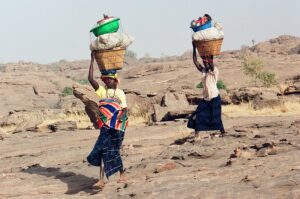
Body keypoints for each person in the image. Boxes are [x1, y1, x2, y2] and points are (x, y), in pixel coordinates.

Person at [87, 51, 128, 190]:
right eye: (106, 79)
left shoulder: (120, 93)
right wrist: (92, 60)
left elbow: (124, 109)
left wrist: (121, 116)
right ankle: (100, 180)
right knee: (102, 150)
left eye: (110, 79)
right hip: (105, 126)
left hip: (117, 127)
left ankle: (122, 174)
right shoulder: (103, 92)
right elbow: (91, 79)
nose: (107, 80)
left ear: (115, 80)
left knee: (114, 151)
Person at [187, 41, 226, 138]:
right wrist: (194, 48)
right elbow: (195, 62)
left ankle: (223, 132)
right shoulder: (204, 71)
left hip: (214, 97)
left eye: (206, 62)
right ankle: (197, 135)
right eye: (204, 62)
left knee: (216, 117)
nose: (205, 63)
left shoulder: (214, 71)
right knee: (196, 115)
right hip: (206, 99)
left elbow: (210, 63)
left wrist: (207, 54)